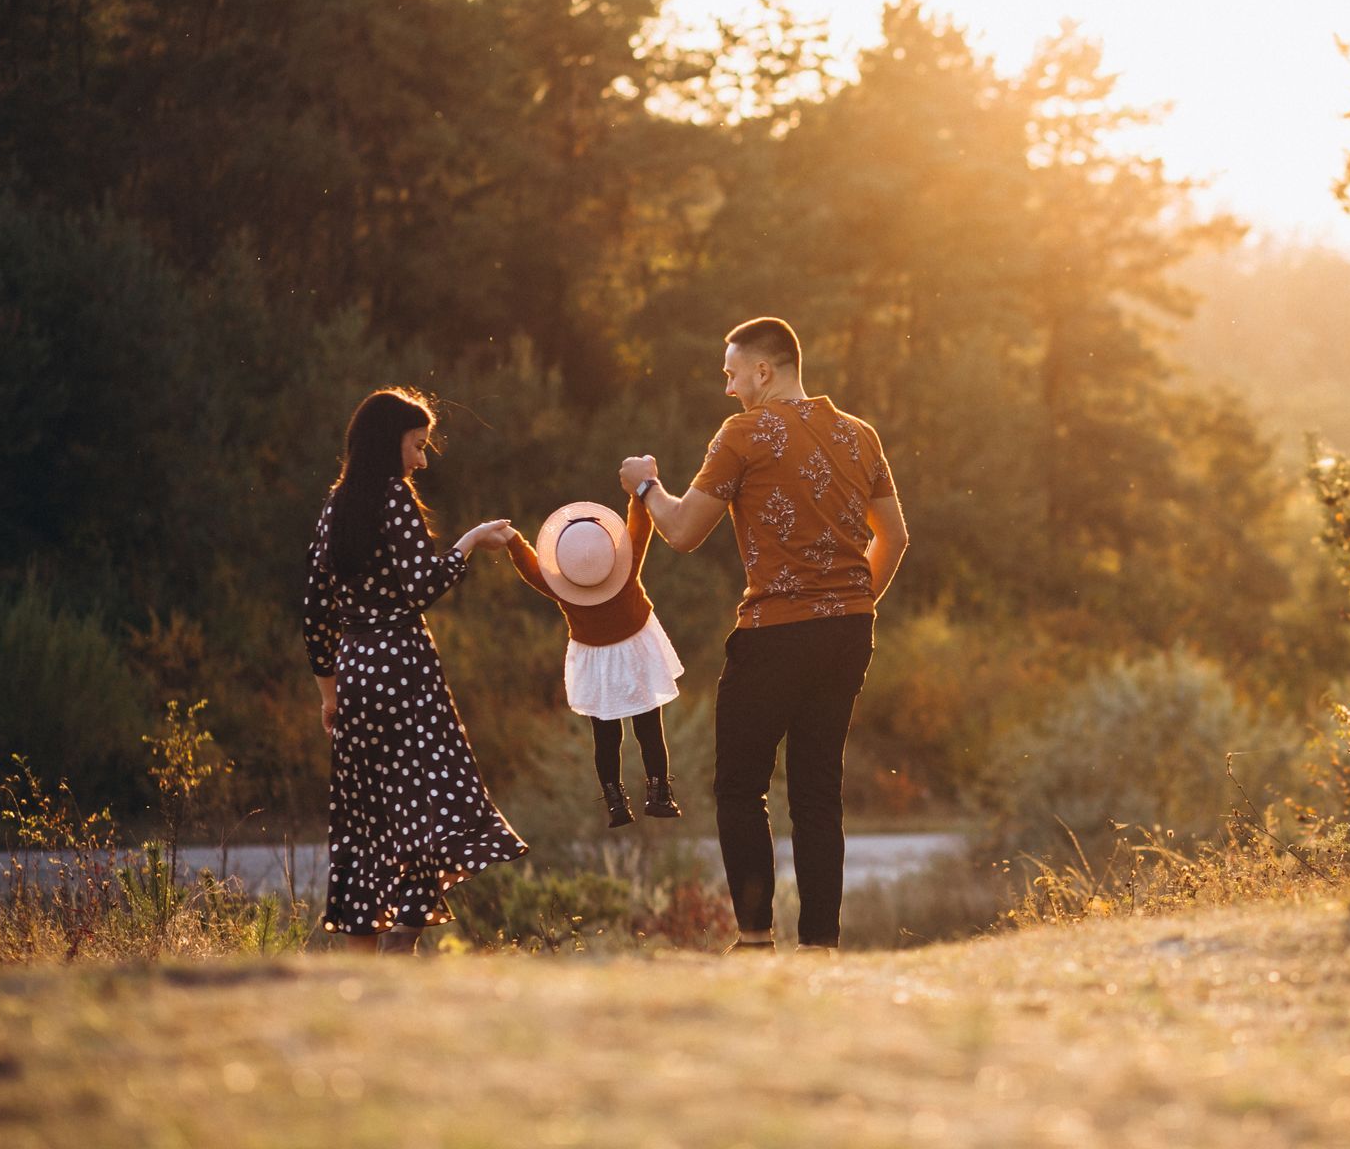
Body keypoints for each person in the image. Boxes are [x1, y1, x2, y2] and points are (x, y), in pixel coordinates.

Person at [619, 317, 909, 952]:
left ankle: (754, 940)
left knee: (739, 786)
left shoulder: (744, 433)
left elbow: (683, 531)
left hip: (774, 633)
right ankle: (820, 947)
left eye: (731, 374)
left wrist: (644, 484)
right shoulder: (860, 435)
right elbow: (897, 536)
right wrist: (850, 603)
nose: (728, 389)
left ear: (763, 371)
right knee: (816, 790)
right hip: (849, 633)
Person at [304, 388, 528, 954]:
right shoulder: (392, 496)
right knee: (430, 801)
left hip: (355, 671)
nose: (421, 460)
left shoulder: (336, 505)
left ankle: (362, 960)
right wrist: (473, 540)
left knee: (366, 816)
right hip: (403, 667)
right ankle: (402, 940)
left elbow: (315, 609)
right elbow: (424, 584)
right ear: (389, 444)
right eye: (417, 446)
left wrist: (329, 694)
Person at [506, 498, 685, 827]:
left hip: (595, 658)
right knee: (649, 728)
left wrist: (514, 541)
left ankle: (616, 802)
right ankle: (659, 795)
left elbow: (531, 570)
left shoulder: (564, 587)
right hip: (636, 649)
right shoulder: (627, 565)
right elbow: (640, 529)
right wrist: (637, 495)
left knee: (606, 736)